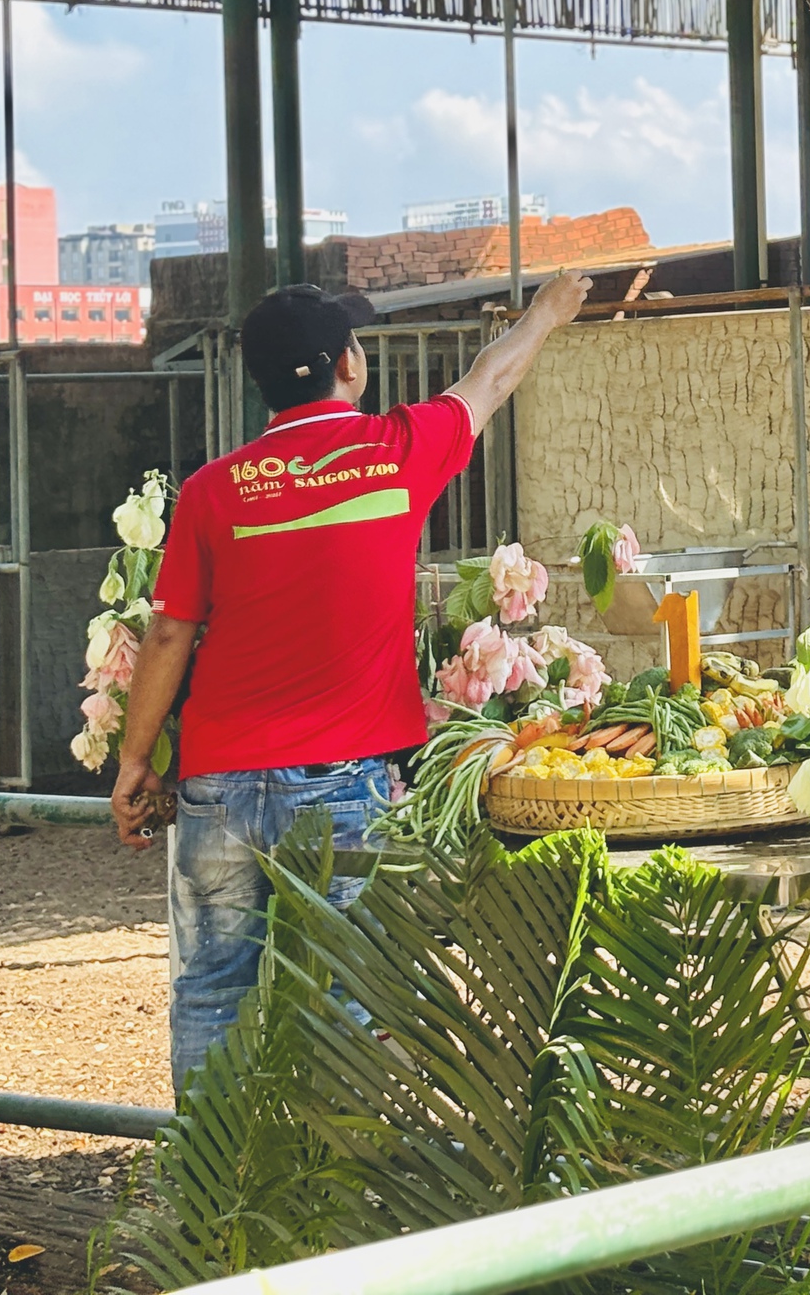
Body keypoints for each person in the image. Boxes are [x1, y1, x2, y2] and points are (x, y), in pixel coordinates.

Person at [110, 269, 592, 1092]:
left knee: (211, 991)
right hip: (340, 788)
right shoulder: (393, 454)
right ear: (348, 365)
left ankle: (210, 1190)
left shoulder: (212, 489)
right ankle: (339, 1196)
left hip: (218, 787)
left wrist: (134, 760)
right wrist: (547, 312)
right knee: (349, 993)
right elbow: (492, 378)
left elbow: (169, 633)